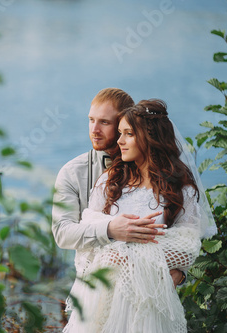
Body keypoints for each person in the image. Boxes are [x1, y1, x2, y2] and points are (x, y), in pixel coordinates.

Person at [63, 99, 216, 332]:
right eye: (120, 133)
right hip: (102, 303)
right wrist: (115, 231)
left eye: (128, 134)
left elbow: (187, 245)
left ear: (150, 139)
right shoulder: (110, 181)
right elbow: (88, 228)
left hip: (149, 304)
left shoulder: (179, 190)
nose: (119, 141)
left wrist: (123, 253)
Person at [52, 88, 185, 286]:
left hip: (151, 287)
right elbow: (63, 233)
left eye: (104, 122)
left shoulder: (158, 170)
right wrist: (110, 229)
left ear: (124, 121)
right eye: (91, 120)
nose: (94, 130)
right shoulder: (72, 173)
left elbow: (184, 228)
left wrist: (181, 273)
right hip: (95, 286)